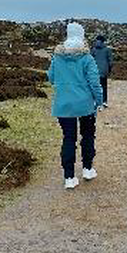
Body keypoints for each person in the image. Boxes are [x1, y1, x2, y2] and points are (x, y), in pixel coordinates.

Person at [47, 23, 104, 189]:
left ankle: (69, 178)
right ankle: (87, 169)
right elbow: (95, 83)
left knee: (68, 138)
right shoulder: (87, 58)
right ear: (82, 35)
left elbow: (50, 78)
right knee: (87, 136)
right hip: (85, 105)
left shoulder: (57, 57)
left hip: (63, 105)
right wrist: (99, 101)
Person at [90, 35, 113, 108]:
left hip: (94, 71)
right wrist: (109, 70)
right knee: (104, 87)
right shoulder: (107, 50)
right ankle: (104, 102)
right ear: (104, 41)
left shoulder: (93, 50)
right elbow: (110, 62)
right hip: (104, 71)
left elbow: (90, 60)